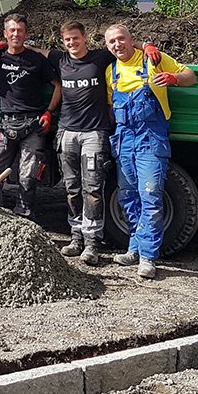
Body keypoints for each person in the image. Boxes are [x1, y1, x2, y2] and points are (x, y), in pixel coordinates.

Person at [104, 23, 197, 280]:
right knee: (127, 197)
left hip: (150, 140)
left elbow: (191, 76)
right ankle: (135, 247)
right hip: (124, 142)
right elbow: (112, 109)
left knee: (151, 197)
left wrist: (174, 78)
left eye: (121, 39)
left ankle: (148, 257)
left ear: (131, 39)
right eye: (111, 41)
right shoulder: (111, 72)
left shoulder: (152, 60)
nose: (117, 44)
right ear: (107, 46)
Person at [0, 12, 61, 221]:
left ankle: (23, 218)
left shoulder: (36, 60)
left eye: (20, 30)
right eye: (12, 30)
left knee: (28, 176)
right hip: (6, 124)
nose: (16, 34)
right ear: (5, 33)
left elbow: (58, 86)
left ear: (26, 34)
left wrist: (49, 112)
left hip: (33, 125)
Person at [48, 21, 116, 266]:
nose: (71, 43)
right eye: (67, 40)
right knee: (72, 187)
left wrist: (147, 46)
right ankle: (75, 237)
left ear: (85, 38)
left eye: (75, 38)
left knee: (93, 188)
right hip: (67, 132)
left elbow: (123, 46)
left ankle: (92, 244)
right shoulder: (60, 59)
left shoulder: (100, 58)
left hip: (94, 134)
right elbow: (33, 52)